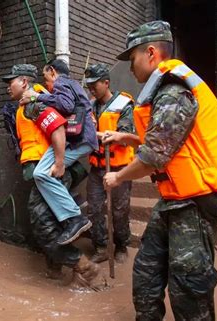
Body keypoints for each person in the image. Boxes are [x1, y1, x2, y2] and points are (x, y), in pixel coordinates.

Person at [103, 21, 217, 320]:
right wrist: (129, 137)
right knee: (146, 272)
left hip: (195, 204)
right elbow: (173, 141)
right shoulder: (161, 91)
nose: (131, 67)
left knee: (188, 286)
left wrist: (118, 176)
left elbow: (153, 157)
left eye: (132, 58)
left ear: (150, 53)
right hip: (173, 200)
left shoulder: (174, 90)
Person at [2, 64, 99, 286]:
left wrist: (58, 163)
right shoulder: (24, 106)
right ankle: (61, 268)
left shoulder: (34, 102)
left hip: (52, 170)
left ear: (24, 82)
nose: (8, 87)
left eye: (11, 82)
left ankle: (83, 267)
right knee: (50, 219)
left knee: (42, 221)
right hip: (44, 170)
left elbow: (57, 128)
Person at [20, 59, 98, 246]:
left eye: (46, 78)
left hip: (78, 139)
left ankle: (75, 217)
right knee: (46, 175)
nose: (47, 85)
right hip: (84, 139)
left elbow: (66, 104)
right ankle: (75, 202)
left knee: (41, 173)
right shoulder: (73, 85)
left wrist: (36, 97)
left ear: (53, 72)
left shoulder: (62, 83)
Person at [84, 63, 134, 264]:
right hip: (97, 168)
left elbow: (125, 134)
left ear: (106, 83)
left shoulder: (124, 104)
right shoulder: (90, 106)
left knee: (119, 210)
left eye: (94, 85)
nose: (91, 89)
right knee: (94, 209)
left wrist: (111, 136)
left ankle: (121, 245)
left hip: (120, 168)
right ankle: (101, 246)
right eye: (89, 86)